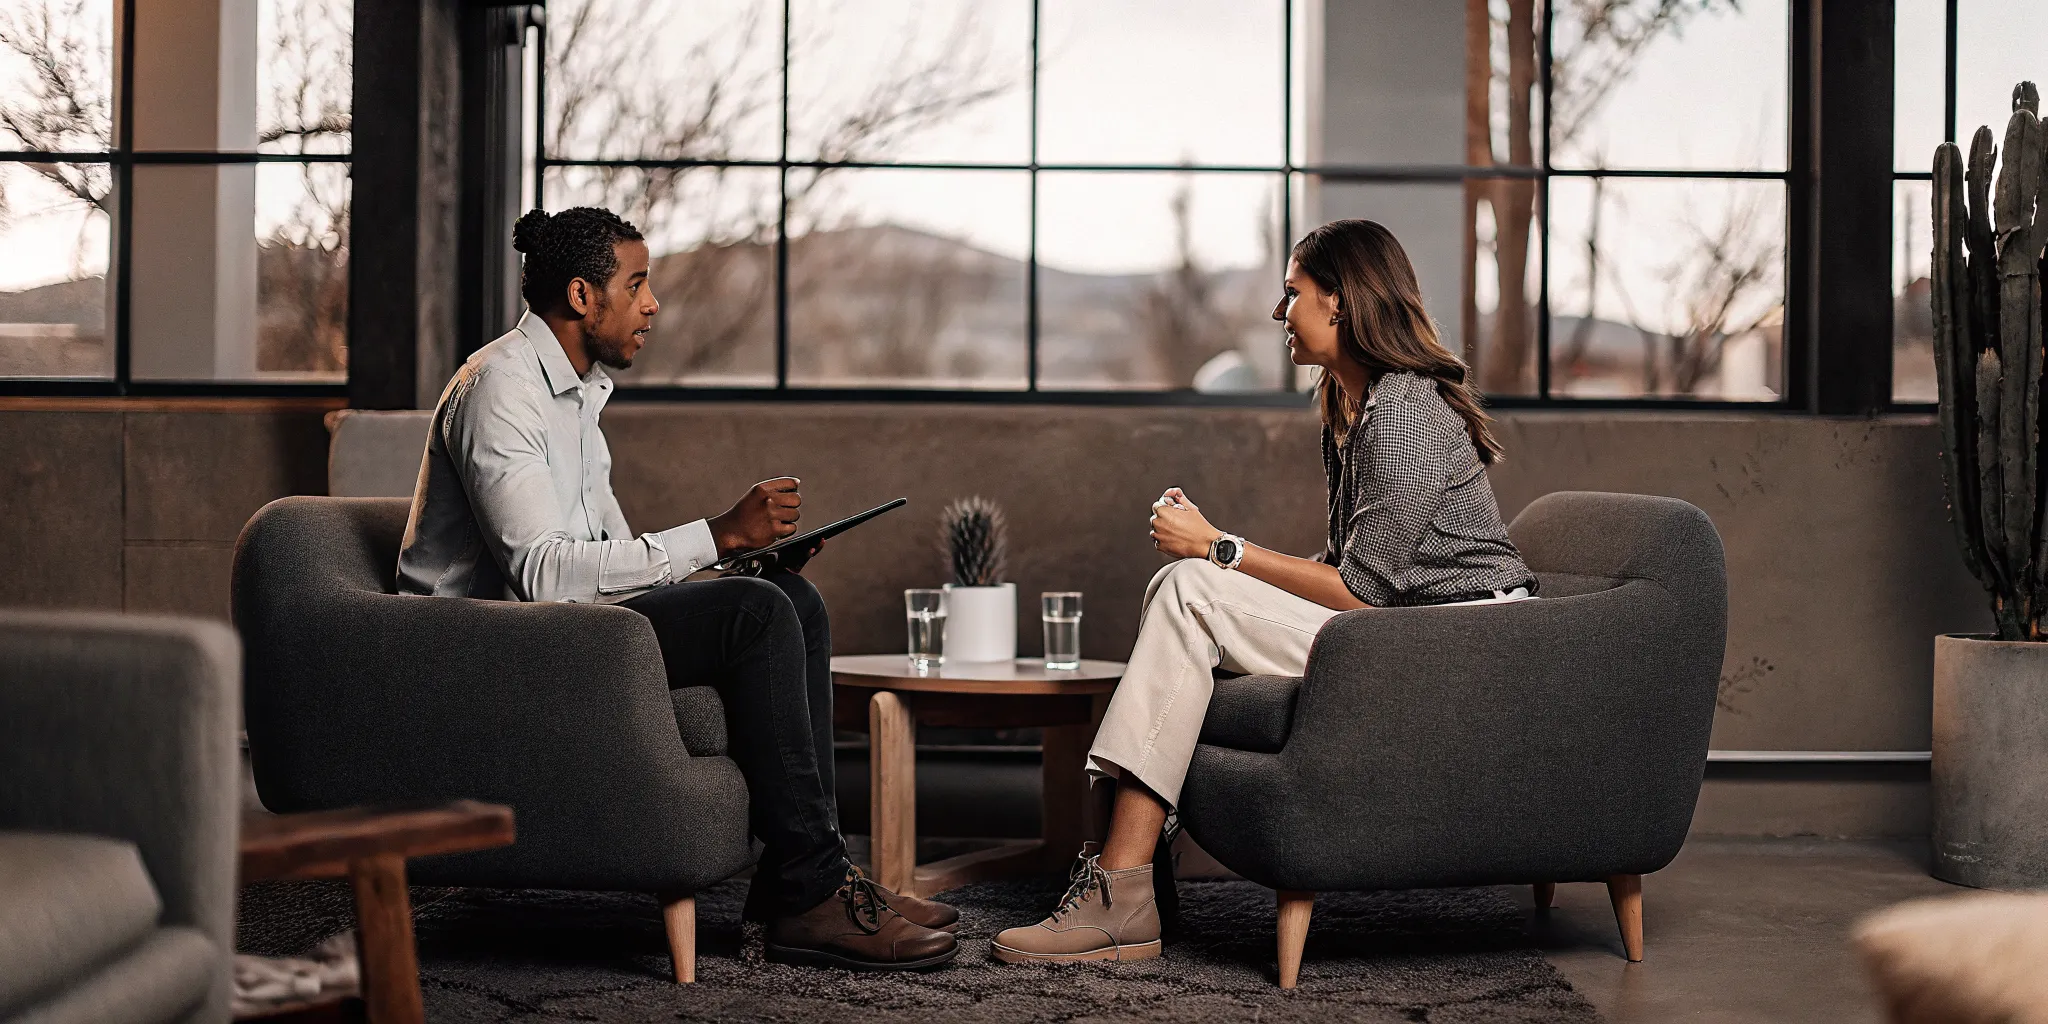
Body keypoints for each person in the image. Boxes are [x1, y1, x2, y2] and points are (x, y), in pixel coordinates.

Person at [396, 206, 959, 971]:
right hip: (486, 656)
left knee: (788, 602)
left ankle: (808, 882)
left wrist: (735, 568)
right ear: (582, 295)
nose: (653, 304)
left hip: (562, 633)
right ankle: (812, 891)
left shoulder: (576, 398)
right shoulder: (500, 389)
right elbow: (543, 575)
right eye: (637, 285)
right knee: (756, 614)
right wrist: (718, 534)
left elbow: (606, 563)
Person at [991, 218, 1538, 964]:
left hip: (1456, 646)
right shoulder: (1352, 405)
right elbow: (1353, 567)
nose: (1279, 313)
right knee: (1185, 584)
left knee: (1192, 585)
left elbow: (1362, 591)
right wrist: (1220, 562)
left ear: (1340, 301)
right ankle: (1132, 871)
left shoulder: (1405, 410)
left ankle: (1122, 882)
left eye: (1292, 293)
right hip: (1402, 629)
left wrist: (1220, 548)